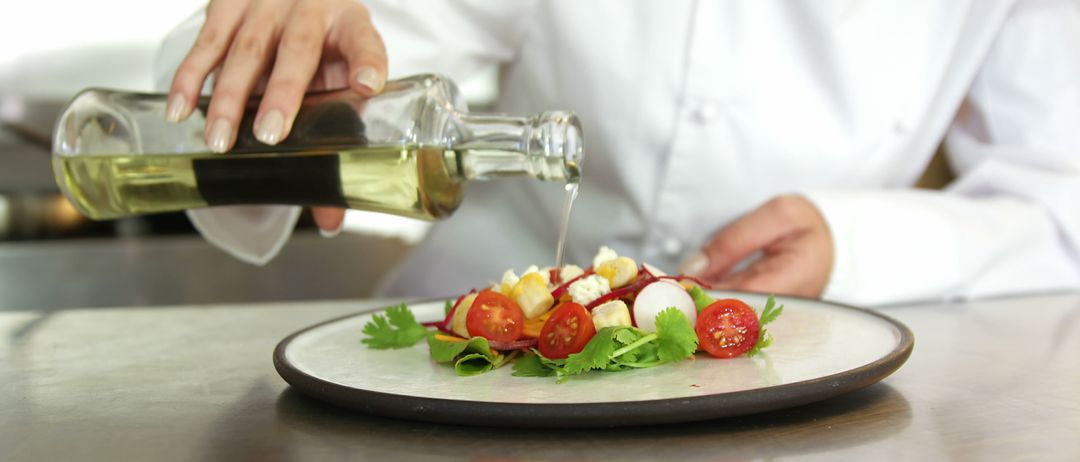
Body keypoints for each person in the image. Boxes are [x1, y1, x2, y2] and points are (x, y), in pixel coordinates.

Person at [155, 0, 1080, 306]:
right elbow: (322, 43)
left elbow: (1061, 203)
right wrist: (277, 61)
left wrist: (859, 243)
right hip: (456, 371)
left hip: (800, 384)